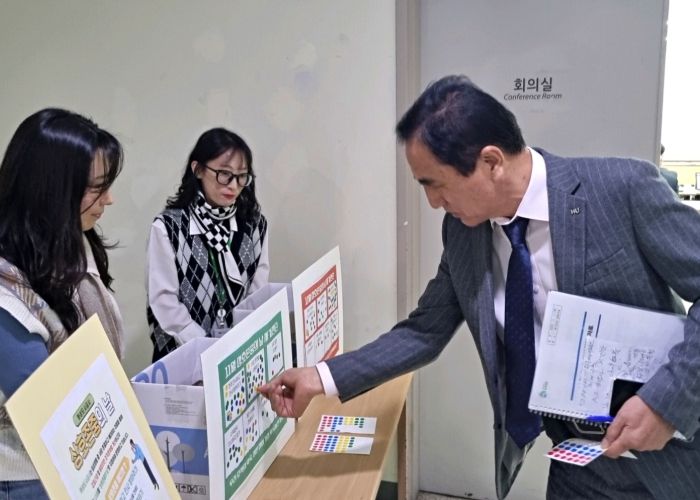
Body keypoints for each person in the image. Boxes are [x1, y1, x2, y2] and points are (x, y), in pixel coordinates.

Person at [260, 75, 700, 499]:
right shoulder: (465, 233)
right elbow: (424, 331)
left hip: (676, 451)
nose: (433, 202)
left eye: (435, 184)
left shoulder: (620, 190)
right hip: (578, 462)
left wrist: (666, 402)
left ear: (491, 162)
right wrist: (319, 377)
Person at [0, 108, 125, 498]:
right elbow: (53, 412)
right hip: (28, 476)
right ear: (51, 190)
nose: (109, 199)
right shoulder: (6, 301)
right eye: (96, 188)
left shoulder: (68, 243)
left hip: (85, 458)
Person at [147, 128, 269, 361]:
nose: (233, 185)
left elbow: (257, 293)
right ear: (198, 170)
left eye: (242, 176)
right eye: (224, 174)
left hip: (239, 356)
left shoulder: (254, 226)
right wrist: (210, 350)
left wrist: (236, 347)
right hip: (183, 358)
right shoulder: (168, 228)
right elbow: (164, 302)